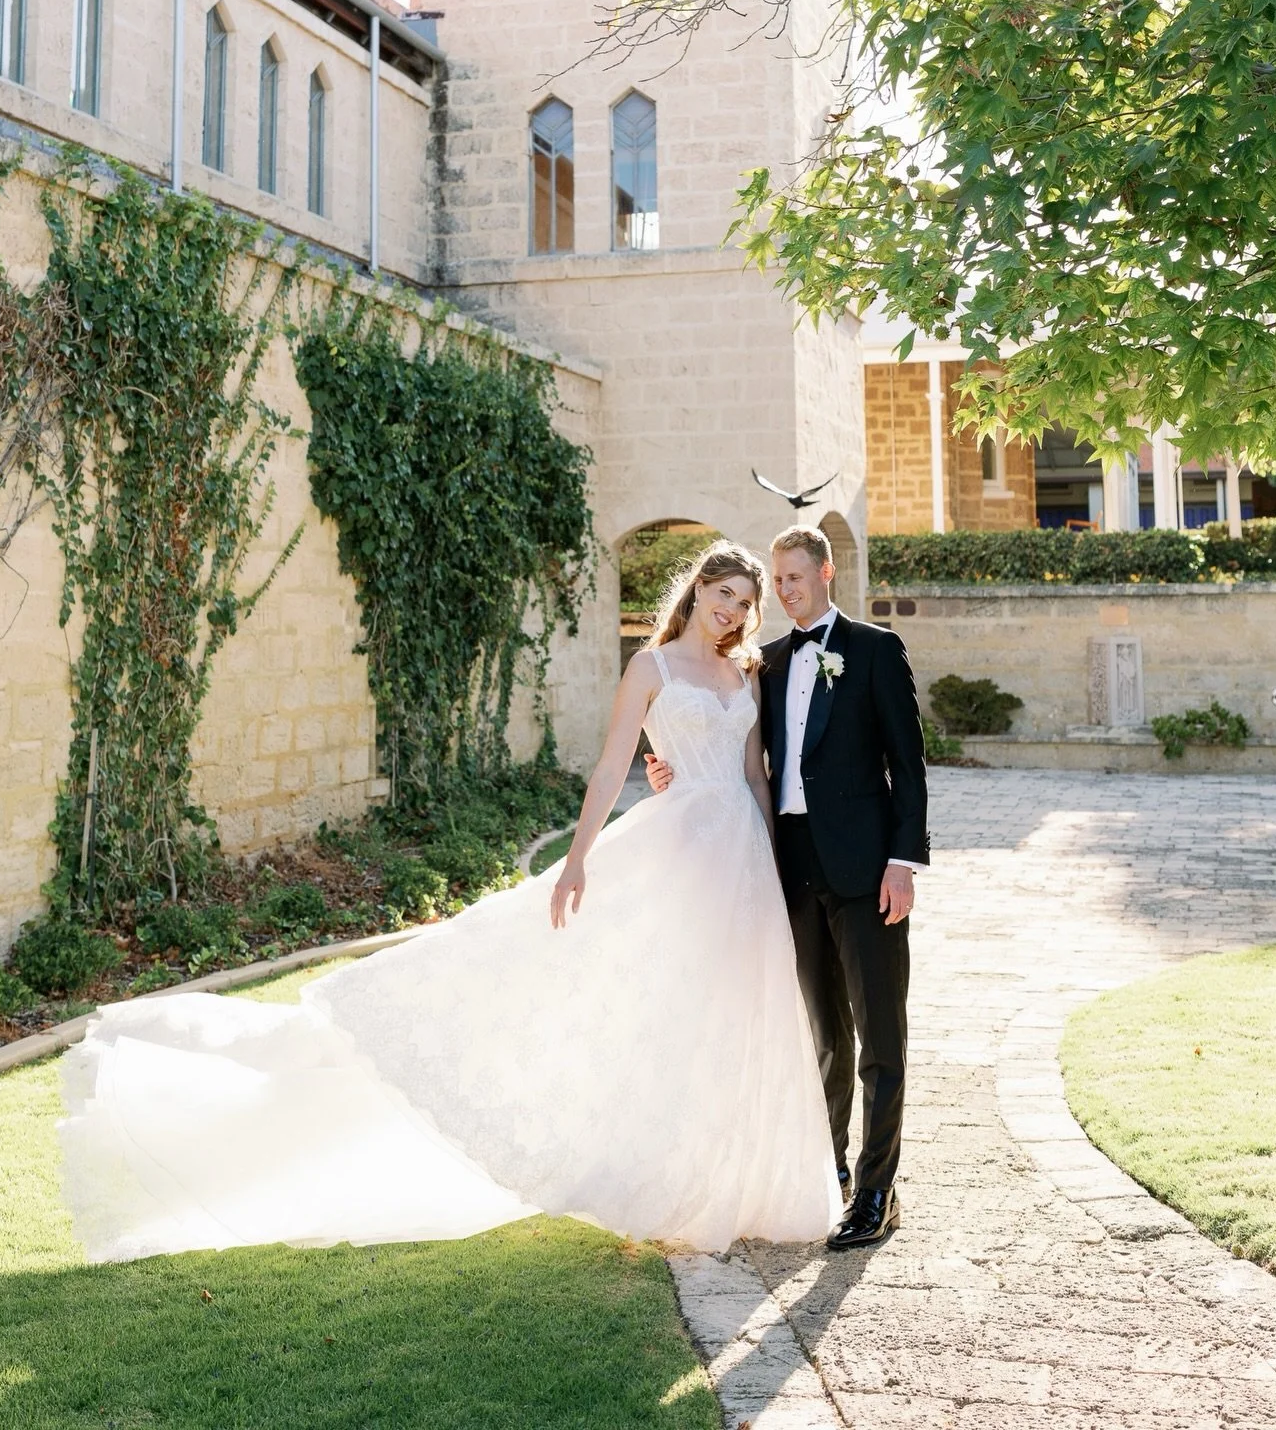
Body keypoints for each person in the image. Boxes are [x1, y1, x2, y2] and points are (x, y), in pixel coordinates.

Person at [59, 541, 841, 1263]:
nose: (733, 610)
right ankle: (674, 1183)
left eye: (745, 601)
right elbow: (610, 771)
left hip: (737, 858)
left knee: (737, 1014)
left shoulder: (746, 674)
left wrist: (773, 859)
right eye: (723, 593)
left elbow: (757, 776)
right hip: (673, 851)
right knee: (651, 1005)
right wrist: (575, 861)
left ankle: (734, 1180)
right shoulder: (653, 668)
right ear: (697, 588)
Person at [647, 525, 928, 1251]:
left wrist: (904, 863)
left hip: (867, 873)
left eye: (797, 577)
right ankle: (824, 1172)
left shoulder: (873, 650)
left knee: (879, 1036)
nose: (785, 590)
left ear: (826, 573)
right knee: (820, 1035)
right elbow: (730, 744)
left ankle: (877, 1191)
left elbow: (910, 768)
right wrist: (669, 768)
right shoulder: (762, 664)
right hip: (788, 866)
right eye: (778, 580)